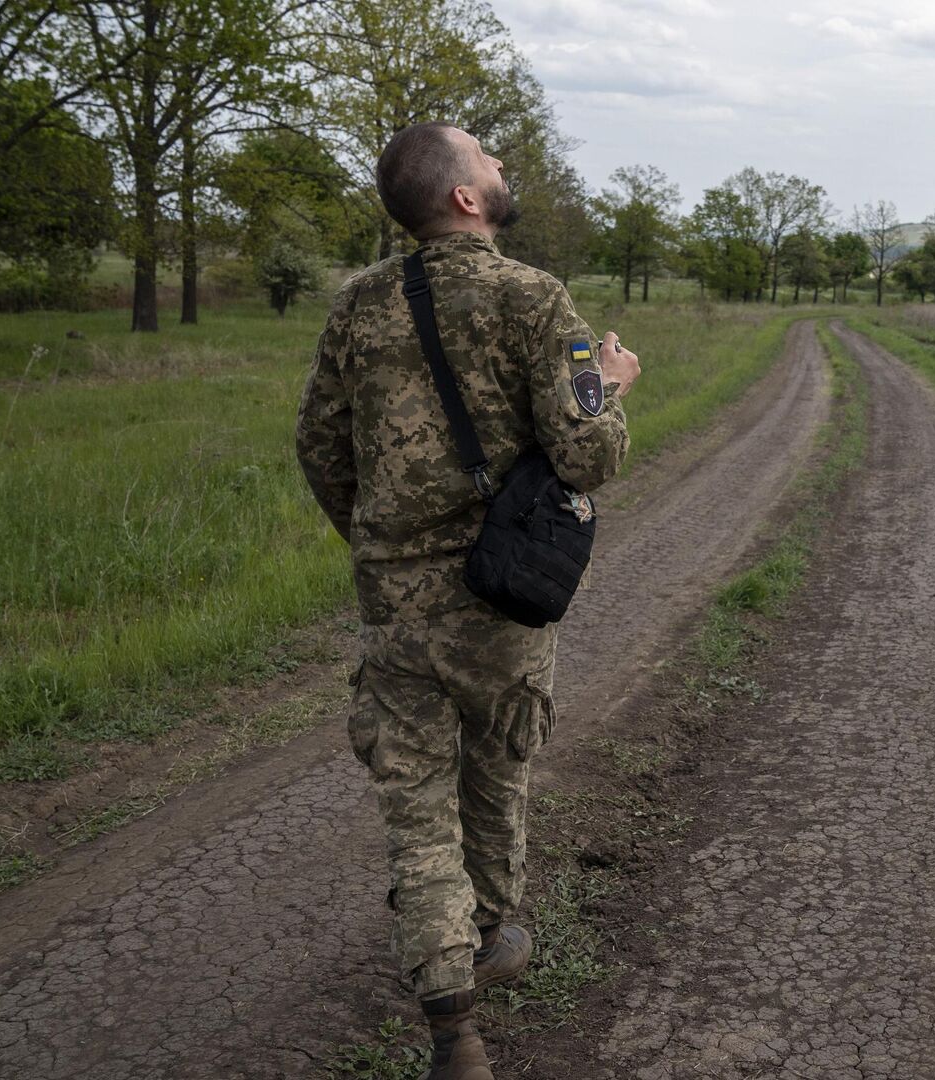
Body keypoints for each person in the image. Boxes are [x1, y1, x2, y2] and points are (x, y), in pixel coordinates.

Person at [294, 121, 641, 1080]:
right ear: (464, 196)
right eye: (487, 155)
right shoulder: (538, 299)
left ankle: (453, 1027)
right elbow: (586, 455)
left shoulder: (358, 305)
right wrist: (608, 383)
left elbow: (318, 443)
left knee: (414, 805)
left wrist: (380, 544)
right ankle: (489, 932)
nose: (500, 164)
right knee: (496, 765)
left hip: (395, 603)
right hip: (501, 594)